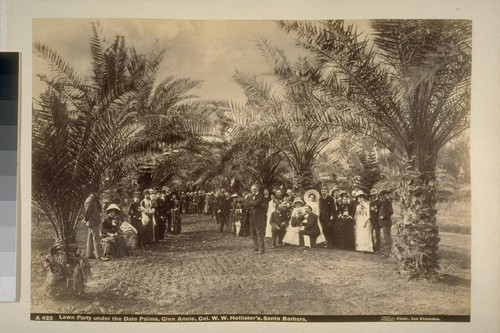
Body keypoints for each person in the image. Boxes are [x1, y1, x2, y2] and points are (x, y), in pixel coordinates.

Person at [83, 191, 108, 260]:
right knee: (96, 238)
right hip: (92, 221)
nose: (98, 194)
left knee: (90, 238)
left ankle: (89, 254)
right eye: (96, 192)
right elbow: (87, 212)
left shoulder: (94, 200)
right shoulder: (90, 200)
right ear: (92, 192)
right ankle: (99, 256)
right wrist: (85, 219)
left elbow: (99, 209)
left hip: (94, 220)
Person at [247, 184, 267, 254]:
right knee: (252, 231)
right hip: (251, 216)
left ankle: (261, 249)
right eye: (252, 189)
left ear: (257, 189)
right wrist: (252, 203)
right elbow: (246, 204)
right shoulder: (250, 196)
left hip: (258, 216)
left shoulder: (261, 196)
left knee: (259, 231)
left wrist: (251, 203)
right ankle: (256, 247)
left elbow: (257, 203)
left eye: (255, 189)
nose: (253, 190)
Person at [378, 190, 394, 255]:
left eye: (382, 196)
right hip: (384, 223)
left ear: (385, 195)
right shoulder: (384, 202)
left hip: (386, 222)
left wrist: (383, 216)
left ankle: (388, 252)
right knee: (386, 237)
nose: (381, 198)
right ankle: (387, 251)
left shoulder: (388, 202)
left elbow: (391, 212)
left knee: (387, 237)